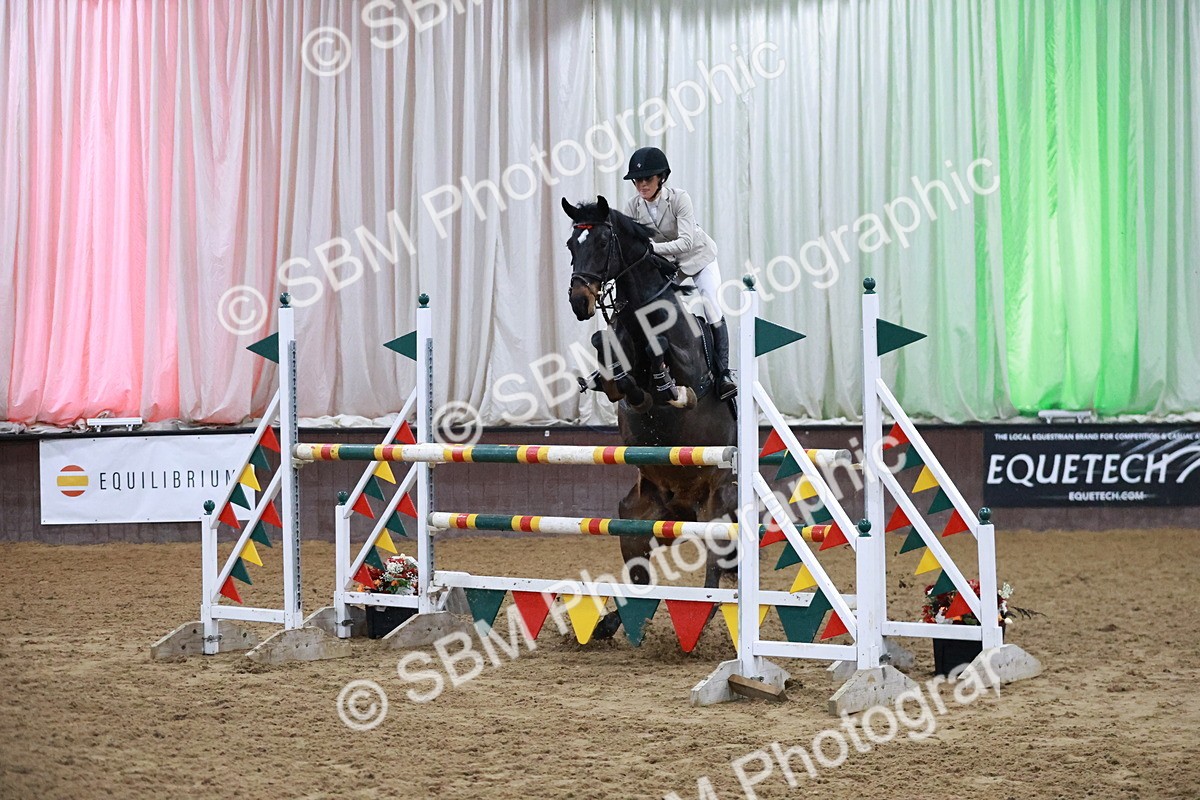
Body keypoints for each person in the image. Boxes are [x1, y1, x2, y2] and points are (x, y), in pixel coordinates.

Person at [622, 146, 736, 400]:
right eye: (637, 180)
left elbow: (685, 242)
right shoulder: (632, 207)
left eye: (647, 179)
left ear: (661, 178)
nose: (641, 185)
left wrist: (650, 248)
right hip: (668, 265)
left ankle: (724, 374)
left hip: (699, 258)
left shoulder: (679, 199)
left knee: (712, 306)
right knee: (653, 307)